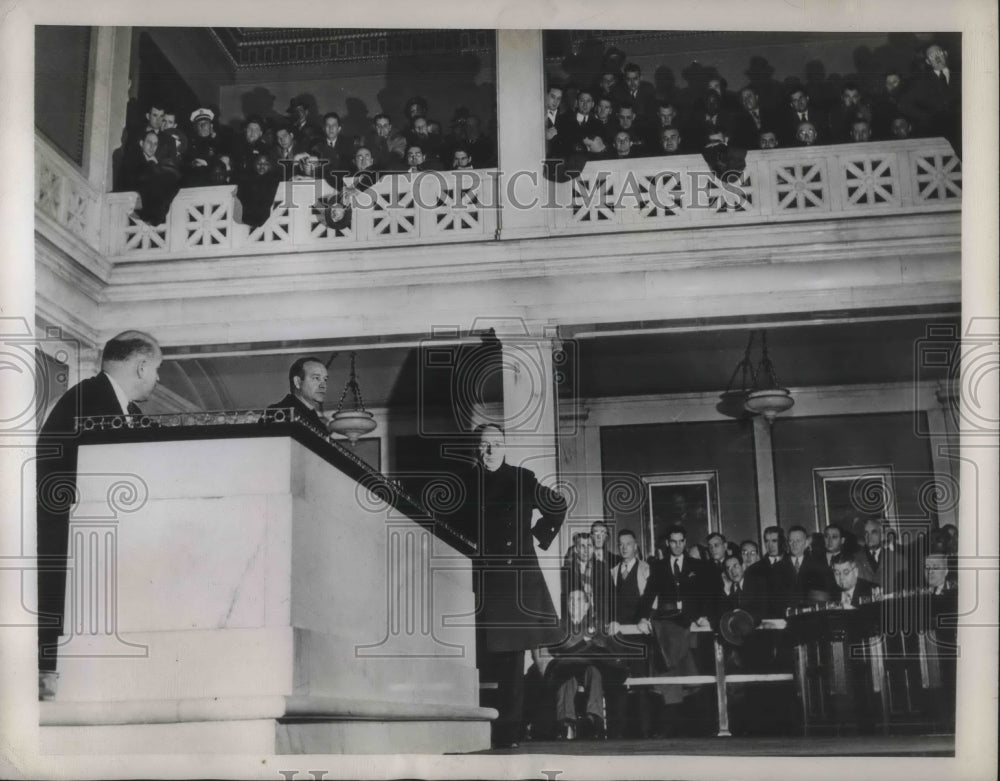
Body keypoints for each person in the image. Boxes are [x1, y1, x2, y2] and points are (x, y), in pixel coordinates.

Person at [36, 331, 163, 700]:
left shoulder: (127, 411)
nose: (158, 379)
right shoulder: (87, 400)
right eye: (157, 369)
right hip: (70, 546)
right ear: (141, 366)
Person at [457, 423, 567, 749]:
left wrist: (537, 535)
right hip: (479, 580)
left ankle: (509, 734)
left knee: (512, 663)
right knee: (474, 658)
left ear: (504, 446)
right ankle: (472, 731)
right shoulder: (467, 484)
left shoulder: (522, 478)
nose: (491, 450)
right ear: (477, 449)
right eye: (485, 444)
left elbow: (557, 505)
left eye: (497, 443)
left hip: (516, 581)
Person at [265, 356, 329, 434]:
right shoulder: (278, 415)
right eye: (316, 378)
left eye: (325, 379)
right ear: (297, 382)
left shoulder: (318, 423)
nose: (323, 385)